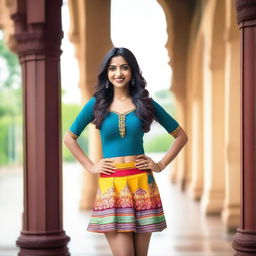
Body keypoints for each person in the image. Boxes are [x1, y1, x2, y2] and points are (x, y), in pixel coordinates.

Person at [64, 47, 188, 256]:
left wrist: (160, 164)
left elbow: (181, 136)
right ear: (106, 73)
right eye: (112, 68)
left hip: (142, 184)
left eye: (124, 67)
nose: (118, 73)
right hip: (112, 186)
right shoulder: (97, 104)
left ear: (132, 72)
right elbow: (69, 138)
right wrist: (91, 166)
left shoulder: (145, 103)